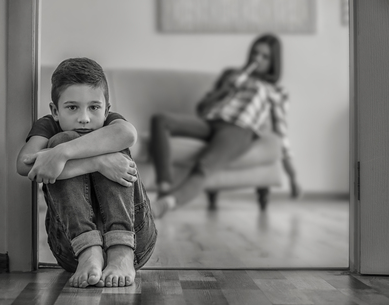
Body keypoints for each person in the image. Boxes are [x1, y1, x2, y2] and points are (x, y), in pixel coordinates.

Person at [16, 57, 157, 288]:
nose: (84, 117)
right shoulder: (49, 125)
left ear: (107, 109)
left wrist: (63, 154)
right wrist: (98, 162)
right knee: (61, 138)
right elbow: (24, 165)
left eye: (94, 107)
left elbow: (128, 134)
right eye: (72, 107)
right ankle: (89, 251)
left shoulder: (111, 122)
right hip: (72, 250)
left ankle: (120, 251)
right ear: (55, 110)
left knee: (110, 139)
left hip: (135, 242)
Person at [150, 34, 301, 218]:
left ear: (273, 61)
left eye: (264, 56)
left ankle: (164, 205)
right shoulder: (231, 75)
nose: (257, 59)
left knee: (204, 165)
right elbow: (202, 108)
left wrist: (293, 176)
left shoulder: (276, 91)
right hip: (210, 122)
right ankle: (164, 187)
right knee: (160, 120)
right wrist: (224, 89)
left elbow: (282, 133)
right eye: (255, 53)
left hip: (240, 129)